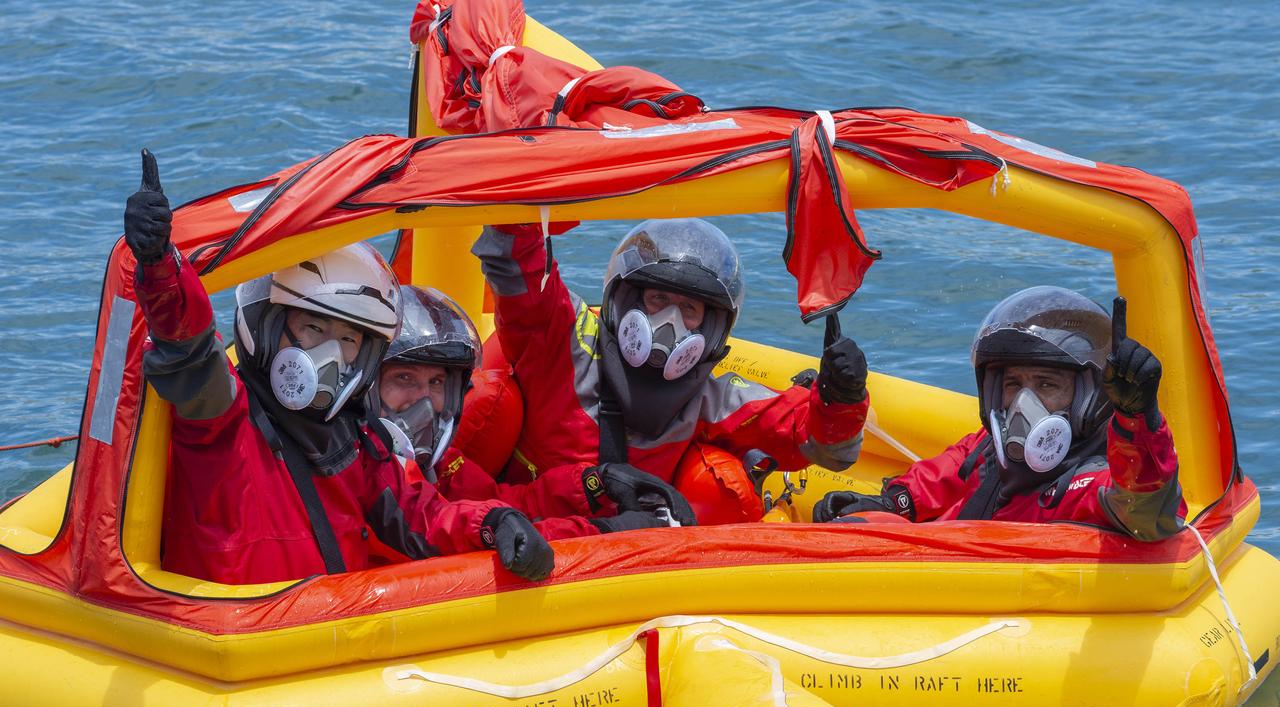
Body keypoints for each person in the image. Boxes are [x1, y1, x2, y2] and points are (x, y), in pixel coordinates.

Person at [123, 150, 557, 584]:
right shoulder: (226, 421)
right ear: (268, 325)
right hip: (244, 639)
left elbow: (422, 517)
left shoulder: (357, 443)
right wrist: (162, 266)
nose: (331, 354)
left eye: (348, 339)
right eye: (314, 327)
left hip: (329, 637)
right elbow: (188, 349)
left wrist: (494, 522)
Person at [471, 218, 870, 493]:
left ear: (711, 328)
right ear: (626, 298)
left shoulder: (710, 399)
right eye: (657, 299)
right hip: (523, 533)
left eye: (689, 311)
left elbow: (815, 440)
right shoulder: (563, 343)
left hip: (618, 563)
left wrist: (842, 399)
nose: (669, 324)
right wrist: (527, 211)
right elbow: (516, 267)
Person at [812, 286, 1184, 540]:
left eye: (1046, 385)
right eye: (1013, 385)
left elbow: (1145, 512)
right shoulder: (990, 450)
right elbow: (944, 474)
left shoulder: (1091, 481)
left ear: (1089, 397)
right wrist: (892, 503)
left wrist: (1138, 418)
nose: (1024, 402)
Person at [374, 285, 696, 535]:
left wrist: (595, 483)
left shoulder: (441, 465)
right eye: (404, 378)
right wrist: (604, 532)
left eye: (437, 383)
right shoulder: (361, 465)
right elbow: (449, 536)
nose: (425, 400)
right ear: (368, 385)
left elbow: (507, 503)